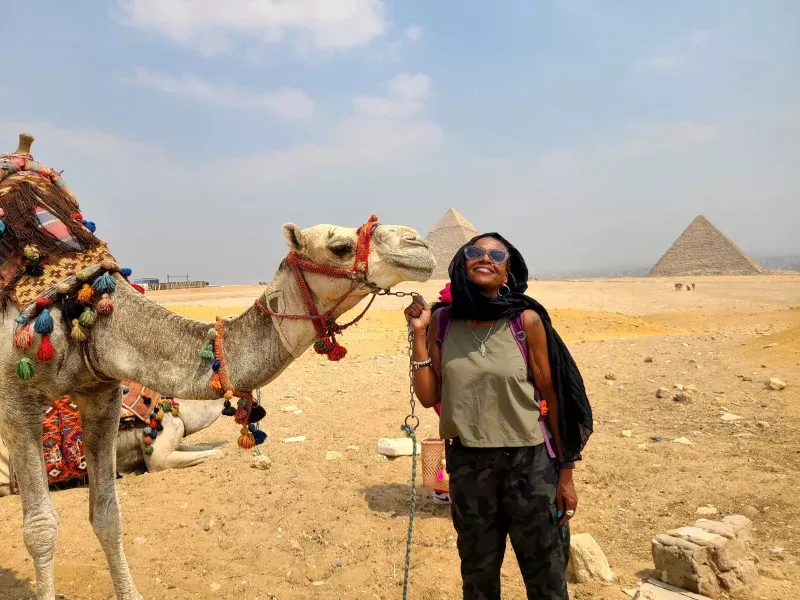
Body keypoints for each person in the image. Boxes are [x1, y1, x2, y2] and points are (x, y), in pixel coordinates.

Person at [404, 233, 593, 600]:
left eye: (496, 254)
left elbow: (553, 400)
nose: (484, 258)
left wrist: (565, 474)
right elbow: (428, 396)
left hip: (531, 463)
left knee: (547, 575)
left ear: (508, 269)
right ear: (462, 264)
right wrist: (419, 335)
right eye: (475, 252)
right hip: (469, 464)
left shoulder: (527, 321)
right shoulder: (442, 322)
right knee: (477, 577)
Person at [429, 282, 452, 505]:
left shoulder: (436, 316)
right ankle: (444, 487)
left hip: (441, 391)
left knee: (449, 440)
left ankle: (440, 487)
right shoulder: (451, 319)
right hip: (453, 391)